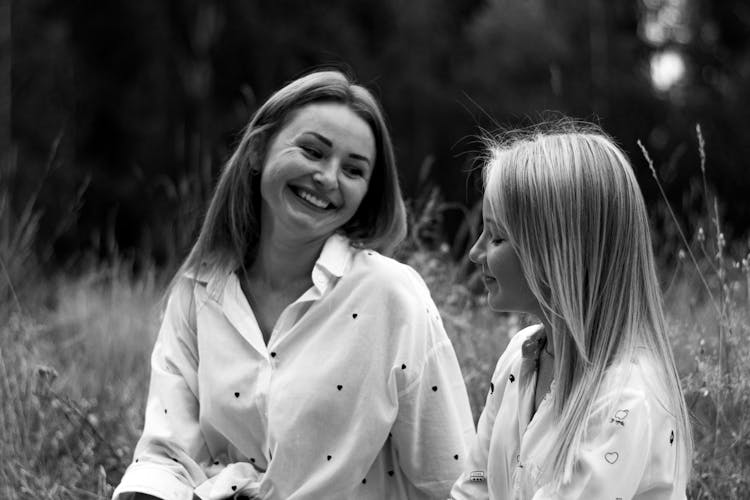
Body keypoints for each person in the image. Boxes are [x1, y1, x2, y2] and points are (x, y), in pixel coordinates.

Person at [113, 69, 475, 500]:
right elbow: (166, 456)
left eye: (354, 170)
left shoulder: (392, 296)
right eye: (312, 151)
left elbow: (452, 478)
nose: (328, 177)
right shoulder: (197, 292)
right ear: (257, 151)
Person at [450, 122, 693, 499]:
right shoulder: (520, 356)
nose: (475, 252)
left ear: (559, 254)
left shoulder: (625, 398)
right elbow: (475, 482)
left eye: (497, 237)